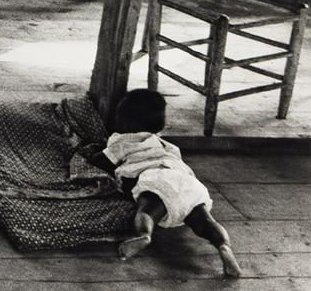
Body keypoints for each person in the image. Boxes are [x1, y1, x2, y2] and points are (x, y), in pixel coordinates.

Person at [81, 88, 242, 278]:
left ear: (124, 122)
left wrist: (90, 153)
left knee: (148, 209)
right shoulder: (166, 145)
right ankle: (223, 246)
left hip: (154, 177)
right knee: (204, 220)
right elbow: (178, 161)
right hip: (186, 182)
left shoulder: (122, 142)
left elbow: (100, 160)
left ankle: (143, 234)